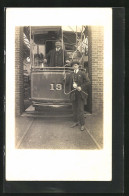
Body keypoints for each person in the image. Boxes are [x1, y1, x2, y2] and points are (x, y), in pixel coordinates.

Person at [65, 61, 90, 131]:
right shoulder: (70, 74)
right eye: (73, 65)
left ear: (78, 66)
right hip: (73, 94)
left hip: (80, 94)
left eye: (76, 65)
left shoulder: (82, 73)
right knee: (74, 109)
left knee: (81, 109)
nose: (74, 66)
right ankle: (76, 122)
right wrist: (64, 78)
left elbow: (88, 82)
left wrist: (81, 87)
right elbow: (66, 83)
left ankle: (82, 124)